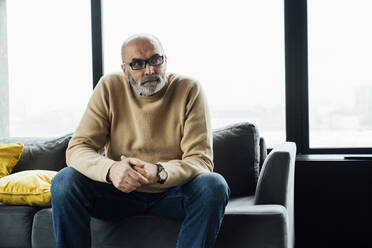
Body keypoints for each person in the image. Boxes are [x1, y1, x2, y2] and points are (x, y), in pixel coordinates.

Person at [51, 33, 230, 248]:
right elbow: (78, 148)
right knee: (64, 181)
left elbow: (201, 161)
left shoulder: (189, 89)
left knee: (214, 185)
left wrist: (160, 172)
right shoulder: (109, 86)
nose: (149, 70)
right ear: (125, 69)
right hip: (118, 193)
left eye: (155, 60)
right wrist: (111, 170)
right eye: (137, 64)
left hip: (172, 194)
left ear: (165, 60)